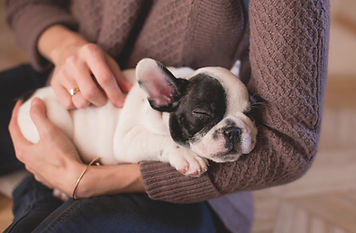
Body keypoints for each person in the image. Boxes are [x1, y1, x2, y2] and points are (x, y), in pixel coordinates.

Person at [1, 0, 330, 232]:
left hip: (188, 189)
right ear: (161, 95)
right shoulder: (168, 92)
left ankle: (34, 189)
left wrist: (89, 181)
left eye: (247, 115)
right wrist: (65, 48)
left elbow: (289, 143)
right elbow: (26, 4)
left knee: (64, 226)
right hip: (73, 88)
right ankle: (36, 186)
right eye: (206, 116)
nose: (232, 129)